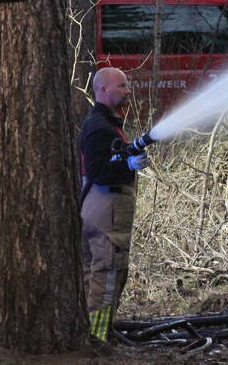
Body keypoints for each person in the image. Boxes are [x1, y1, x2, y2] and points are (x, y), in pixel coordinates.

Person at [79, 66, 148, 341]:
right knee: (107, 273)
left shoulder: (103, 124)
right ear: (102, 90)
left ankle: (90, 331)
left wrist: (127, 155)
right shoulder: (99, 127)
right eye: (121, 86)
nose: (127, 90)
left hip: (97, 206)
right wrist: (128, 163)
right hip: (106, 207)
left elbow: (104, 160)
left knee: (93, 273)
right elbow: (98, 170)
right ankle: (97, 337)